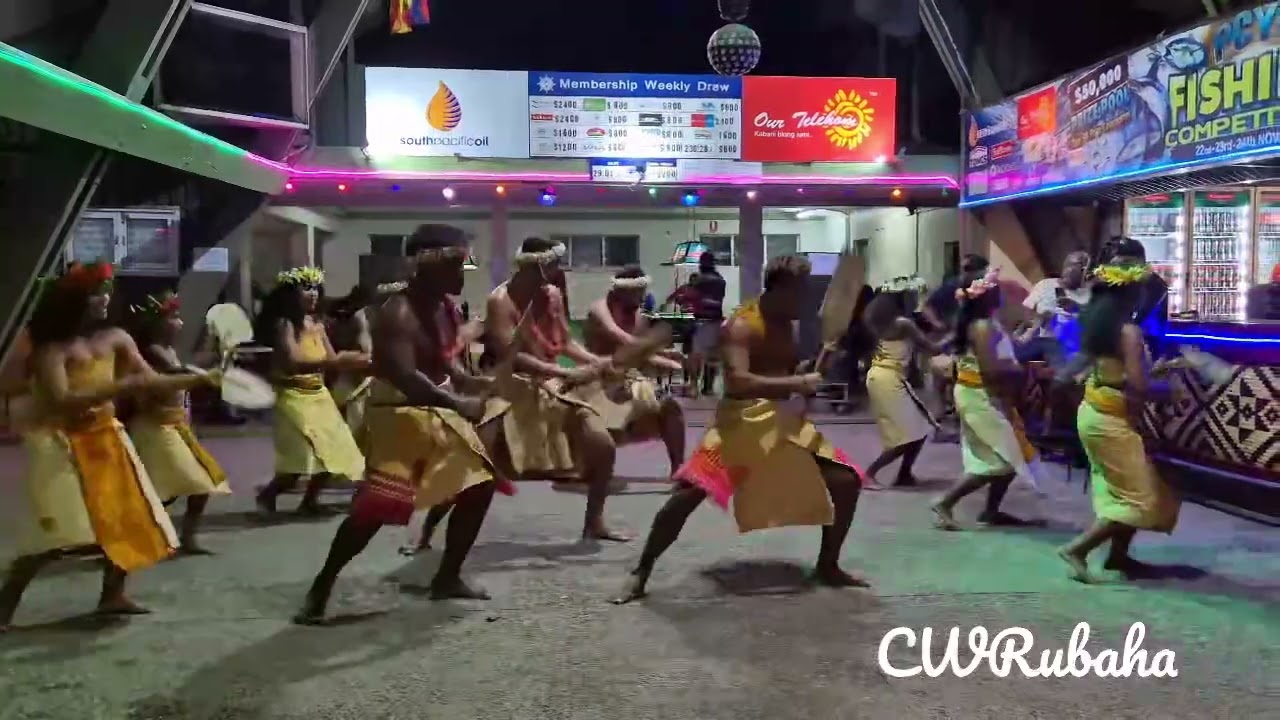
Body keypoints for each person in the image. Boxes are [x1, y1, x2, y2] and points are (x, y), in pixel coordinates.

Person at [612, 255, 869, 604]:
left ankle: (828, 565)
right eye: (801, 292)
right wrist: (799, 380)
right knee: (686, 495)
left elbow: (783, 372)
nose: (808, 301)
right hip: (740, 424)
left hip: (783, 422)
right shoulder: (742, 326)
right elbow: (738, 381)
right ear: (781, 289)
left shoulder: (787, 324)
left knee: (846, 480)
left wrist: (810, 369)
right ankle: (640, 571)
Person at [295, 226, 503, 623]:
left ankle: (447, 577)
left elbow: (442, 359)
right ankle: (321, 586)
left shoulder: (441, 306)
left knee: (480, 486)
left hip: (435, 412)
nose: (462, 276)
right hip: (398, 417)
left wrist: (468, 380)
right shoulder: (397, 312)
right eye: (456, 266)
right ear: (427, 267)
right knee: (375, 509)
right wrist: (459, 401)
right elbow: (407, 377)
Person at [0, 262, 216, 631]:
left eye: (106, 292)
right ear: (72, 301)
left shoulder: (116, 337)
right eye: (95, 293)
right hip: (62, 445)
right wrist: (120, 388)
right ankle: (3, 606)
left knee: (128, 519)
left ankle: (113, 595)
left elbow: (150, 381)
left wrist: (202, 380)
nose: (104, 299)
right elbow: (60, 399)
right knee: (55, 533)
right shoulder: (51, 348)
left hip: (108, 437)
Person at [483, 237, 627, 541]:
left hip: (553, 386)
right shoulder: (500, 301)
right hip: (510, 389)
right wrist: (564, 371)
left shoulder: (550, 295)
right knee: (472, 466)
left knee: (603, 447)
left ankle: (594, 523)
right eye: (552, 265)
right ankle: (427, 533)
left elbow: (565, 342)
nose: (556, 271)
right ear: (538, 266)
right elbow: (512, 355)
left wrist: (597, 362)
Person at [1057, 261, 1182, 583]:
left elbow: (1117, 374)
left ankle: (1118, 557)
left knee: (1124, 491)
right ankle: (1077, 549)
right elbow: (1137, 387)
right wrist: (1169, 392)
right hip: (1108, 418)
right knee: (1142, 498)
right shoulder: (1128, 330)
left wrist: (1152, 374)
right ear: (1134, 294)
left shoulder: (1101, 323)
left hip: (1096, 411)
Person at [929, 268, 1040, 530]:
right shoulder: (981, 327)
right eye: (995, 288)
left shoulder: (988, 322)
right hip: (981, 394)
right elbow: (991, 371)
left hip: (984, 393)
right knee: (1001, 460)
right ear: (986, 296)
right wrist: (1016, 372)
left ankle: (991, 511)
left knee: (1009, 457)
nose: (1000, 292)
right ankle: (945, 502)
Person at [254, 267, 368, 515]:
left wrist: (356, 361)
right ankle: (268, 495)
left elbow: (332, 358)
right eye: (306, 288)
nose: (313, 293)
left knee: (336, 451)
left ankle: (310, 501)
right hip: (293, 397)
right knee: (302, 458)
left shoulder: (317, 324)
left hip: (319, 395)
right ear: (290, 294)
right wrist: (339, 362)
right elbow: (293, 362)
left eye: (316, 288)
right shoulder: (285, 324)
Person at [126, 291, 230, 555]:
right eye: (173, 317)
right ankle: (131, 538)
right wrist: (206, 374)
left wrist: (215, 353)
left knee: (202, 483)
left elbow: (188, 371)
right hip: (154, 429)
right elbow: (179, 374)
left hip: (175, 428)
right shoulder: (151, 352)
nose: (180, 323)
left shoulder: (169, 350)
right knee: (157, 492)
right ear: (157, 323)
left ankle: (187, 537)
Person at [577, 265, 686, 473]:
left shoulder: (641, 317)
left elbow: (638, 354)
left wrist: (667, 357)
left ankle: (679, 468)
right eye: (638, 291)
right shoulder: (600, 308)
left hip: (628, 380)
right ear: (622, 291)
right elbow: (619, 337)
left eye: (643, 290)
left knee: (670, 407)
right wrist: (660, 352)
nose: (643, 295)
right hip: (595, 379)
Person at [862, 290, 947, 489]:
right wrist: (954, 336)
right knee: (904, 437)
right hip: (888, 380)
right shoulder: (903, 324)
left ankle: (904, 474)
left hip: (883, 377)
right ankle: (868, 474)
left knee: (920, 430)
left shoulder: (878, 326)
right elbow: (932, 348)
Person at [1018, 251, 1092, 365]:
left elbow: (1092, 325)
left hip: (1067, 344)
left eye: (1079, 267)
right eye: (1069, 265)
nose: (1071, 270)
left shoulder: (1087, 295)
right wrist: (1034, 324)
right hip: (1040, 338)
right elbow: (1027, 310)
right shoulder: (1045, 285)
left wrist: (1075, 308)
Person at [687, 252, 726, 398]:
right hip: (716, 320)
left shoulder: (700, 280)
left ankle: (693, 386)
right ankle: (708, 387)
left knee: (696, 356)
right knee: (713, 356)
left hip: (701, 320)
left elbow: (690, 297)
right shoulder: (720, 280)